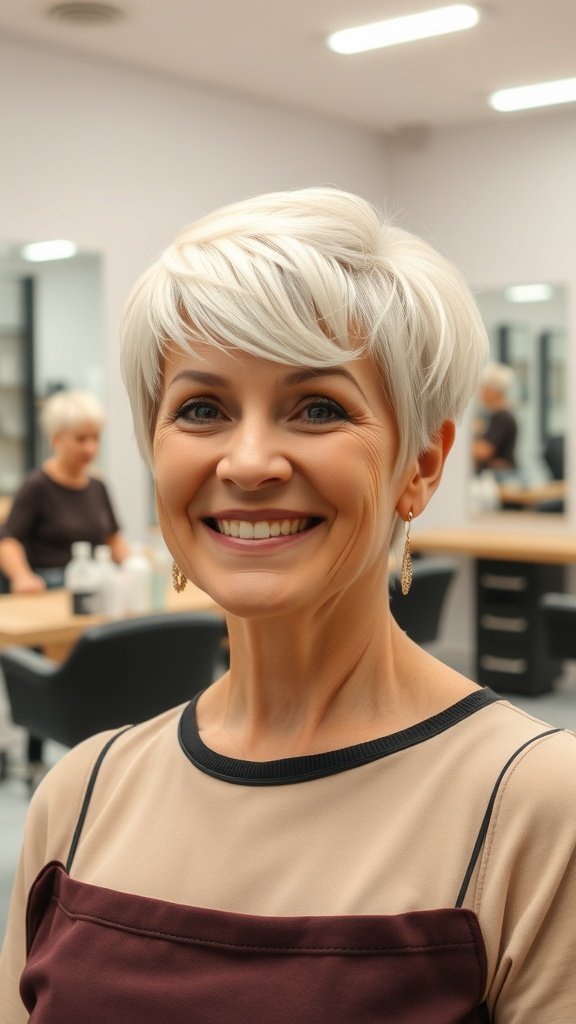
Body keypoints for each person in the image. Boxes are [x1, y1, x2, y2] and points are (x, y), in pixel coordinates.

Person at [1, 188, 575, 1023]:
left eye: (317, 408)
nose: (250, 461)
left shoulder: (536, 810)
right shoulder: (80, 793)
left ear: (420, 465)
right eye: (202, 408)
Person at [0, 388, 128, 593]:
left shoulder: (98, 485)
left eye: (96, 438)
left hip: (94, 583)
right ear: (56, 439)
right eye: (80, 439)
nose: (90, 448)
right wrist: (22, 577)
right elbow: (8, 540)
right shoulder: (37, 485)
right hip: (52, 587)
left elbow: (113, 538)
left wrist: (132, 568)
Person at [472, 362, 518, 477]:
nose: (480, 393)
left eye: (483, 388)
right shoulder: (501, 415)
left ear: (493, 390)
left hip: (500, 477)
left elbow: (484, 451)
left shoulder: (501, 417)